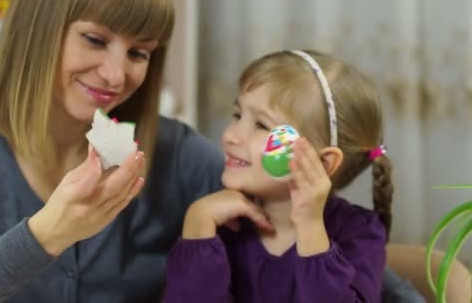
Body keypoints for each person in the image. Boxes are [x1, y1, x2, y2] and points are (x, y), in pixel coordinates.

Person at [0, 0, 223, 302]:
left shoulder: (179, 154)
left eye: (138, 53)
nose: (116, 75)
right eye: (94, 40)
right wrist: (47, 235)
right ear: (37, 27)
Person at [164, 50, 395, 302]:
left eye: (261, 125)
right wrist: (198, 224)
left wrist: (310, 227)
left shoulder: (360, 234)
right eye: (238, 115)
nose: (230, 136)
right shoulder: (222, 224)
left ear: (324, 162)